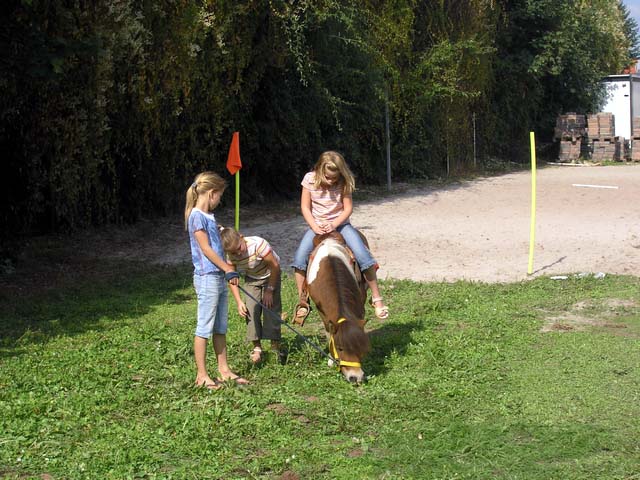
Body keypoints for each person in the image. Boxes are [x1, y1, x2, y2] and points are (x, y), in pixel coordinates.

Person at [291, 150, 389, 323]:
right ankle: (303, 301)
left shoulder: (343, 182)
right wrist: (315, 226)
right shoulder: (309, 179)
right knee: (299, 259)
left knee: (363, 254)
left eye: (334, 178)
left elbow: (348, 208)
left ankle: (376, 297)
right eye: (328, 177)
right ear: (320, 170)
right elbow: (305, 207)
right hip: (317, 227)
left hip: (341, 225)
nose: (331, 181)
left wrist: (334, 224)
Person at [184, 171, 249, 389]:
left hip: (218, 277)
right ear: (211, 193)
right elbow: (205, 249)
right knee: (205, 326)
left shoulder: (209, 217)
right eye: (219, 196)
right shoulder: (196, 216)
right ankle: (202, 375)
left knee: (220, 326)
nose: (219, 200)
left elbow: (216, 243)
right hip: (207, 278)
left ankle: (224, 370)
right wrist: (227, 268)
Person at [220, 226, 284, 364]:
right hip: (252, 278)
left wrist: (269, 290)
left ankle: (275, 346)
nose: (238, 254)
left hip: (271, 275)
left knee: (271, 308)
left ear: (242, 237)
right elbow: (233, 278)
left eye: (239, 248)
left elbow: (275, 267)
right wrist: (239, 302)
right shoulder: (231, 255)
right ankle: (257, 348)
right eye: (233, 252)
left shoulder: (258, 244)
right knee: (250, 309)